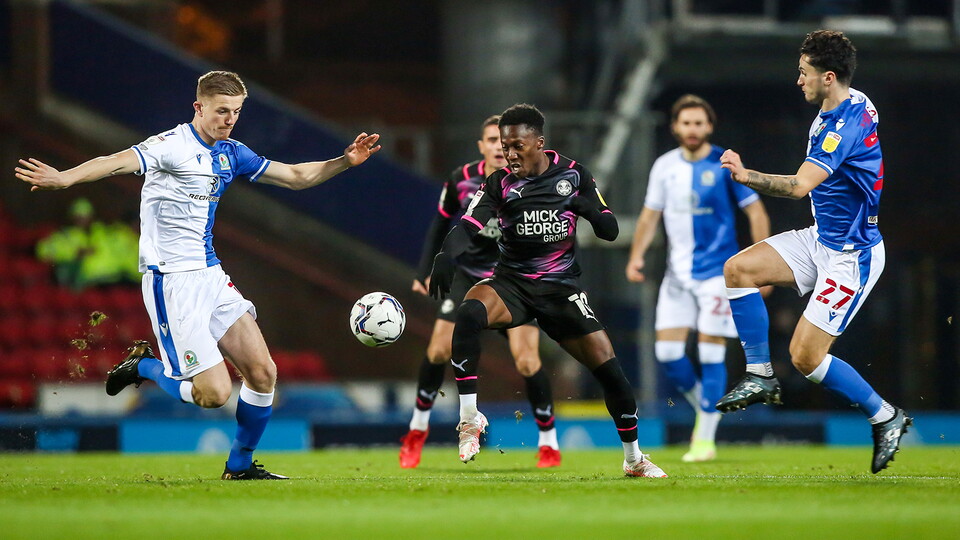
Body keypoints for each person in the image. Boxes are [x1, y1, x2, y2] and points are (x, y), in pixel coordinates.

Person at [16, 70, 381, 480]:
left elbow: (295, 177)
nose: (229, 120)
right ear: (199, 107)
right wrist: (65, 178)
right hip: (171, 281)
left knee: (263, 374)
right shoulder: (171, 145)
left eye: (236, 112)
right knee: (213, 394)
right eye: (222, 110)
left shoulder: (232, 152)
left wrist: (344, 162)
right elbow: (115, 161)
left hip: (210, 274)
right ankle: (145, 368)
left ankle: (239, 467)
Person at [429, 104, 667, 477]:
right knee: (470, 311)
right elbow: (468, 224)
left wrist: (589, 207)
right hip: (512, 284)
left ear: (539, 142)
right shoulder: (500, 183)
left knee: (610, 370)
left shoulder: (574, 175)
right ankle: (470, 419)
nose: (509, 154)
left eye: (516, 146)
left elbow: (610, 230)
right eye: (505, 146)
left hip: (560, 289)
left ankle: (634, 458)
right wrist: (446, 254)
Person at [714, 30, 910, 473]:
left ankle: (886, 415)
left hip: (851, 255)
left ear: (828, 76)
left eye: (803, 73)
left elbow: (798, 186)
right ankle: (761, 374)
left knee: (805, 357)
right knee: (738, 269)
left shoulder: (842, 126)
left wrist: (746, 176)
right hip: (821, 238)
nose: (797, 80)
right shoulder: (846, 101)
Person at [401, 115, 560, 469]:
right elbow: (441, 224)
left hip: (514, 280)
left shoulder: (532, 180)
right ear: (483, 146)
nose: (499, 148)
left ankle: (548, 441)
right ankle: (416, 431)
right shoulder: (461, 180)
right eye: (491, 140)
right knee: (438, 348)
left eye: (504, 141)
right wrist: (424, 270)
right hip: (466, 278)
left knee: (528, 359)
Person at [626, 94, 770, 462]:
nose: (692, 129)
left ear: (710, 126)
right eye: (686, 123)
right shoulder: (664, 166)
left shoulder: (724, 163)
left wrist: (764, 264)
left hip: (718, 275)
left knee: (709, 351)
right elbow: (648, 216)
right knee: (669, 354)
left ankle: (704, 440)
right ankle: (707, 413)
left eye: (699, 123)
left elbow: (756, 212)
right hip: (677, 276)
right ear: (675, 127)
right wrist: (636, 257)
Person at [36, 197, 140, 289]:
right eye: (79, 217)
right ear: (72, 217)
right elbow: (43, 250)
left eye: (85, 216)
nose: (82, 220)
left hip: (113, 277)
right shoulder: (66, 235)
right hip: (87, 281)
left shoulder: (103, 232)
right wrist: (75, 253)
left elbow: (120, 252)